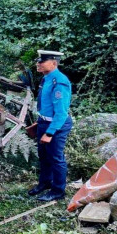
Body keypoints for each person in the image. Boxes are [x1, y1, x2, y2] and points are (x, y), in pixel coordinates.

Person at [28, 50, 73, 202]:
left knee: (56, 158)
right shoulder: (46, 78)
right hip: (44, 122)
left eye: (42, 61)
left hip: (57, 125)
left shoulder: (59, 82)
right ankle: (45, 183)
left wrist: (50, 133)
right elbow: (46, 105)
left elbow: (61, 113)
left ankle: (58, 190)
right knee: (43, 156)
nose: (38, 64)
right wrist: (39, 121)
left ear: (54, 62)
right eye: (38, 61)